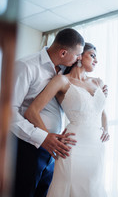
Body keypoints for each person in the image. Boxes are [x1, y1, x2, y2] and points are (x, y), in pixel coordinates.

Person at [24, 42, 110, 197]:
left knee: (93, 188)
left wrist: (106, 129)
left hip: (97, 147)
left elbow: (102, 112)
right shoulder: (61, 81)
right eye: (92, 55)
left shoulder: (98, 82)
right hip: (73, 145)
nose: (96, 60)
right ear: (79, 56)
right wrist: (49, 138)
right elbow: (32, 111)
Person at [11, 28, 86, 197]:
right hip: (25, 144)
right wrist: (43, 137)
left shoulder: (63, 71)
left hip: (50, 148)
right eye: (77, 55)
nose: (79, 58)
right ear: (63, 52)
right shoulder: (26, 66)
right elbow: (7, 113)